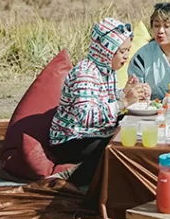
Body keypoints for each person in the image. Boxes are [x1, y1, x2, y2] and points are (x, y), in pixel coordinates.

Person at [49, 17, 142, 186]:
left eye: (128, 50)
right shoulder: (85, 73)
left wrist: (124, 93)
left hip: (93, 132)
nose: (126, 56)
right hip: (71, 140)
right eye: (121, 51)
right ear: (106, 50)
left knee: (132, 128)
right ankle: (73, 178)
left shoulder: (106, 70)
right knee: (115, 144)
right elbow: (85, 116)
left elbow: (104, 101)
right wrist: (123, 103)